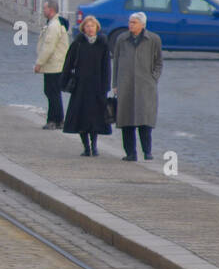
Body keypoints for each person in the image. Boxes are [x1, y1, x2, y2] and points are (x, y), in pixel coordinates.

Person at [112, 11, 163, 161]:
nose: (130, 25)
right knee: (126, 120)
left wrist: (154, 77)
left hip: (145, 86)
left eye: (134, 22)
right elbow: (116, 62)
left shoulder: (153, 39)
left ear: (142, 24)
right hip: (125, 84)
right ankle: (130, 153)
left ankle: (147, 151)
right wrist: (115, 83)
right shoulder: (122, 39)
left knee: (144, 119)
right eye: (130, 22)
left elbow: (159, 62)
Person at [61, 16, 112, 156]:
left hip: (97, 87)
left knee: (95, 118)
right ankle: (86, 147)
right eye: (87, 26)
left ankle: (94, 146)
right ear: (83, 28)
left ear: (97, 28)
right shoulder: (78, 43)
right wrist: (64, 82)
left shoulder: (103, 44)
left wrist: (106, 86)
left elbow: (106, 67)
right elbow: (68, 63)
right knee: (81, 118)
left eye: (92, 26)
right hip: (81, 87)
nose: (90, 29)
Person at [34, 1, 70, 129]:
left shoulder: (54, 25)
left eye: (44, 8)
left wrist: (39, 63)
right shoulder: (55, 23)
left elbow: (48, 47)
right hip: (55, 65)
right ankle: (58, 120)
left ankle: (54, 120)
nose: (43, 10)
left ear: (51, 10)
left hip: (54, 65)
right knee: (52, 92)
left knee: (52, 92)